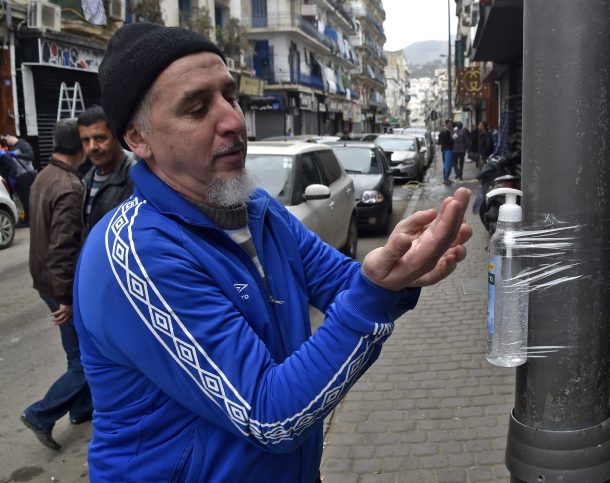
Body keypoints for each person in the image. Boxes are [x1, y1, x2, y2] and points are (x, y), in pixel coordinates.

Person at [74, 23, 472, 482]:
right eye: (197, 108)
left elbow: (344, 283)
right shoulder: (136, 254)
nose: (233, 121)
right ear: (137, 139)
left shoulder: (258, 210)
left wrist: (399, 270)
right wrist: (374, 294)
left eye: (230, 97)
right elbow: (269, 415)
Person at [20, 118, 92, 451]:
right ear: (81, 147)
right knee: (84, 363)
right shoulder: (69, 185)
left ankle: (80, 410)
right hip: (58, 286)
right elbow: (63, 247)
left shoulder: (44, 175)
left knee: (76, 353)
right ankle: (40, 414)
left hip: (44, 281)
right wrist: (66, 298)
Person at [77, 105, 137, 238]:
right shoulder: (86, 180)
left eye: (99, 138)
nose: (92, 147)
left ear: (116, 137)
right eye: (85, 140)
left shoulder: (136, 180)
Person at [1, 132, 36, 226]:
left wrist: (16, 155)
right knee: (24, 199)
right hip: (18, 177)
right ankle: (28, 219)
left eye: (5, 139)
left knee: (27, 199)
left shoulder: (22, 144)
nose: (5, 142)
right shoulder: (11, 148)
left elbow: (30, 156)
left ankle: (28, 221)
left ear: (9, 136)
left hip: (26, 175)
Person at [437, 119, 454, 185]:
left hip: (449, 149)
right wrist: (452, 139)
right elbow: (444, 142)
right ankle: (445, 179)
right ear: (446, 124)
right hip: (447, 150)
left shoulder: (449, 131)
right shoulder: (444, 132)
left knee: (449, 165)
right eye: (450, 123)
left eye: (451, 123)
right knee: (447, 165)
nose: (451, 125)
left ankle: (447, 178)